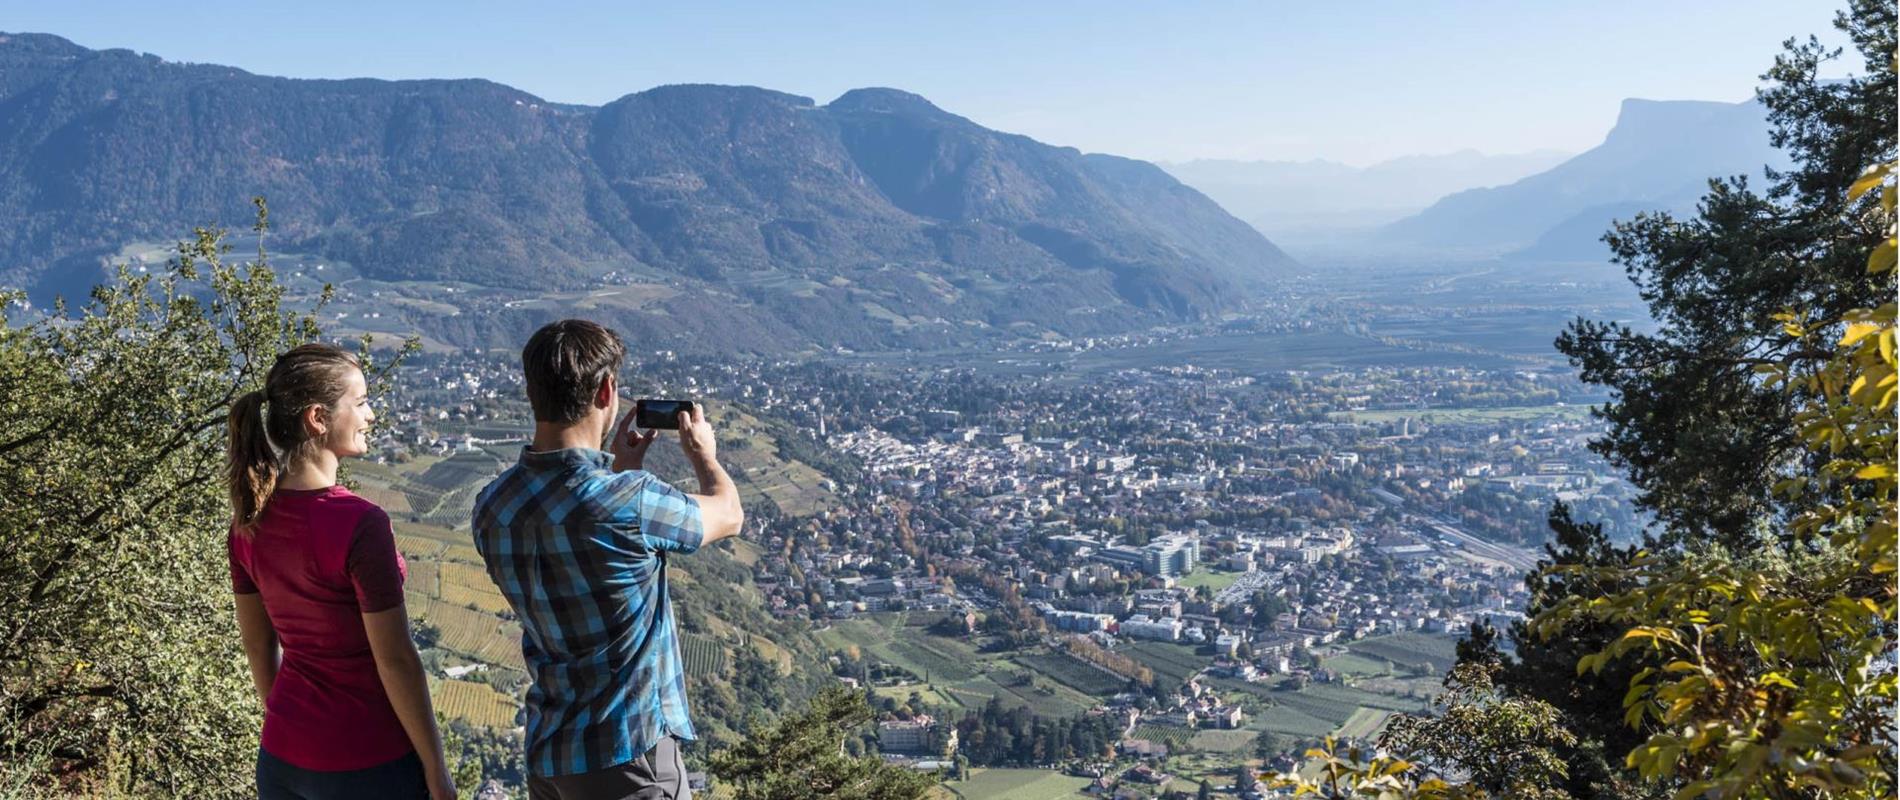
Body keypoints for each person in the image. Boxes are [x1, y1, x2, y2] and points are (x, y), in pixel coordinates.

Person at [473, 319, 744, 800]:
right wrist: (704, 455)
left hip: (551, 755)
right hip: (627, 753)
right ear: (606, 390)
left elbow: (577, 535)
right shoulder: (630, 502)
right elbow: (728, 514)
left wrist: (621, 469)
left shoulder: (492, 507)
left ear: (533, 393)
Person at [225, 343, 455, 800]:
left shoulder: (248, 523)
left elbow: (257, 644)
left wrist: (292, 724)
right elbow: (395, 659)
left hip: (283, 760)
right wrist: (436, 769)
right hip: (368, 758)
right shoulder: (360, 523)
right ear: (318, 418)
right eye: (362, 402)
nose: (370, 415)